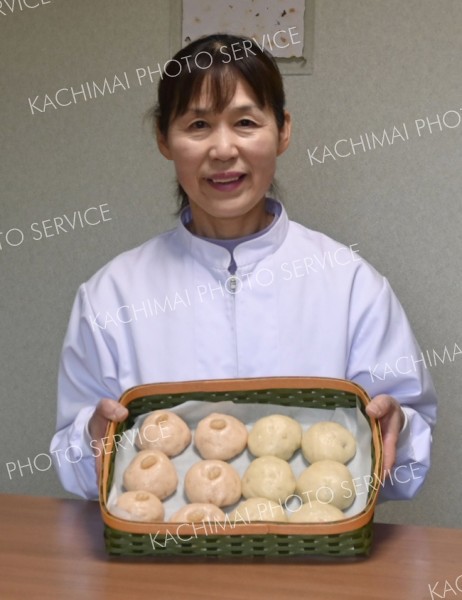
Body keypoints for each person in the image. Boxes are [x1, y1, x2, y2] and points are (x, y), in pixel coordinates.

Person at [50, 33, 437, 502]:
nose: (223, 149)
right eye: (197, 125)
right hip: (160, 561)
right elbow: (74, 463)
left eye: (246, 122)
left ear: (284, 129)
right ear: (163, 139)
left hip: (315, 561)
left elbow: (408, 457)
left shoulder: (351, 284)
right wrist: (91, 439)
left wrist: (397, 427)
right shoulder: (112, 295)